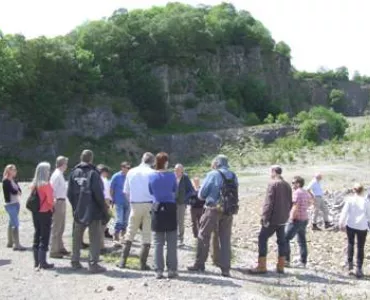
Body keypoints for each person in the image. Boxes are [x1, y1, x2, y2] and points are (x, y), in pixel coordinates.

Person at [187, 154, 238, 277]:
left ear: (217, 163)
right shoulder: (233, 175)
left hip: (212, 209)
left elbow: (202, 194)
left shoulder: (213, 174)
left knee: (203, 235)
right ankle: (225, 268)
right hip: (228, 210)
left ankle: (199, 264)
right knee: (225, 238)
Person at [68, 149, 108, 273]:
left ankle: (75, 261)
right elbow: (98, 193)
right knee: (94, 237)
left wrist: (75, 206)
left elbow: (69, 193)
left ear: (81, 158)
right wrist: (103, 208)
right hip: (92, 209)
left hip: (79, 208)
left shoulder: (74, 172)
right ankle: (93, 264)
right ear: (91, 159)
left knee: (76, 236)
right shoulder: (93, 173)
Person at [248, 165, 292, 275]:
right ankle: (281, 266)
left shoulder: (273, 184)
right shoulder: (287, 185)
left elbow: (269, 202)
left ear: (273, 172)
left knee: (262, 238)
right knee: (281, 241)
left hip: (273, 218)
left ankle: (262, 266)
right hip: (283, 218)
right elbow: (290, 202)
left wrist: (264, 217)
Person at [118, 152, 155, 270]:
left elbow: (126, 192)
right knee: (146, 234)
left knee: (130, 232)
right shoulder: (153, 173)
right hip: (149, 204)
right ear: (152, 162)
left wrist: (131, 203)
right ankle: (142, 263)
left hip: (135, 204)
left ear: (142, 159)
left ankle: (122, 261)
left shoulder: (131, 171)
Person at [149, 152, 178, 279]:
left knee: (158, 242)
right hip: (170, 208)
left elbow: (150, 191)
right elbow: (174, 190)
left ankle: (158, 270)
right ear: (166, 162)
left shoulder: (151, 176)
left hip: (157, 208)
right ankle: (171, 269)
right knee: (171, 241)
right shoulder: (171, 176)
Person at [339, 183, 370, 278]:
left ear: (353, 190)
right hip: (362, 226)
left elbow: (344, 212)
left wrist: (341, 223)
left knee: (350, 244)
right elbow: (368, 215)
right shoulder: (366, 201)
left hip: (351, 225)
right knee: (360, 247)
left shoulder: (350, 200)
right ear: (362, 190)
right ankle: (359, 268)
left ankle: (350, 265)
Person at [31, 162, 55, 269]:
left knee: (37, 234)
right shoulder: (46, 184)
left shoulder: (34, 184)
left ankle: (36, 261)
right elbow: (50, 200)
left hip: (35, 212)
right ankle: (43, 262)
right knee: (44, 236)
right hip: (45, 212)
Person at [285, 176, 313, 268]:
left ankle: (286, 260)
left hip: (296, 219)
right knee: (302, 241)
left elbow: (295, 206)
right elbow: (311, 201)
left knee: (285, 239)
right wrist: (304, 208)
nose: (292, 184)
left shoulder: (296, 193)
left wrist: (292, 218)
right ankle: (303, 262)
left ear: (298, 183)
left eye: (293, 183)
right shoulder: (305, 192)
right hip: (304, 218)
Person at [50, 156, 69, 259]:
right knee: (56, 226)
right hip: (58, 202)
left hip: (62, 201)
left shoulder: (60, 174)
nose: (66, 166)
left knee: (61, 226)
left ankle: (60, 247)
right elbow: (52, 189)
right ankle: (53, 250)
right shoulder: (57, 175)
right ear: (62, 164)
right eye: (66, 163)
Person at [2, 164, 26, 251]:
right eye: (14, 170)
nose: (15, 171)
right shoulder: (6, 181)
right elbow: (12, 191)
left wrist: (18, 191)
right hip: (10, 204)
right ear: (9, 171)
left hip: (15, 203)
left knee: (11, 222)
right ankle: (17, 244)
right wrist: (17, 192)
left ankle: (10, 242)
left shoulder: (13, 180)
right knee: (15, 223)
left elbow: (19, 190)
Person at [110, 162, 131, 247]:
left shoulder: (130, 176)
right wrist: (112, 199)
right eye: (126, 167)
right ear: (122, 167)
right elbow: (111, 188)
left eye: (129, 167)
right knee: (119, 220)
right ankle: (116, 237)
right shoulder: (116, 176)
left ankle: (123, 237)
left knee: (126, 220)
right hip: (119, 201)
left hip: (128, 201)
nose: (128, 169)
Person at [174, 163, 194, 247]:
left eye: (179, 170)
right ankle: (171, 239)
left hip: (181, 204)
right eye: (176, 170)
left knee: (180, 222)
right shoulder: (171, 177)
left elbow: (191, 190)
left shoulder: (185, 178)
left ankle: (180, 239)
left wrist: (185, 199)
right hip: (171, 203)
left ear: (182, 171)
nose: (177, 171)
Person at [97, 164, 112, 252]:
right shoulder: (102, 180)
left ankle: (100, 244)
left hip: (104, 202)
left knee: (102, 225)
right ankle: (100, 246)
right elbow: (105, 194)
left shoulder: (103, 180)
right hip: (104, 202)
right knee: (102, 225)